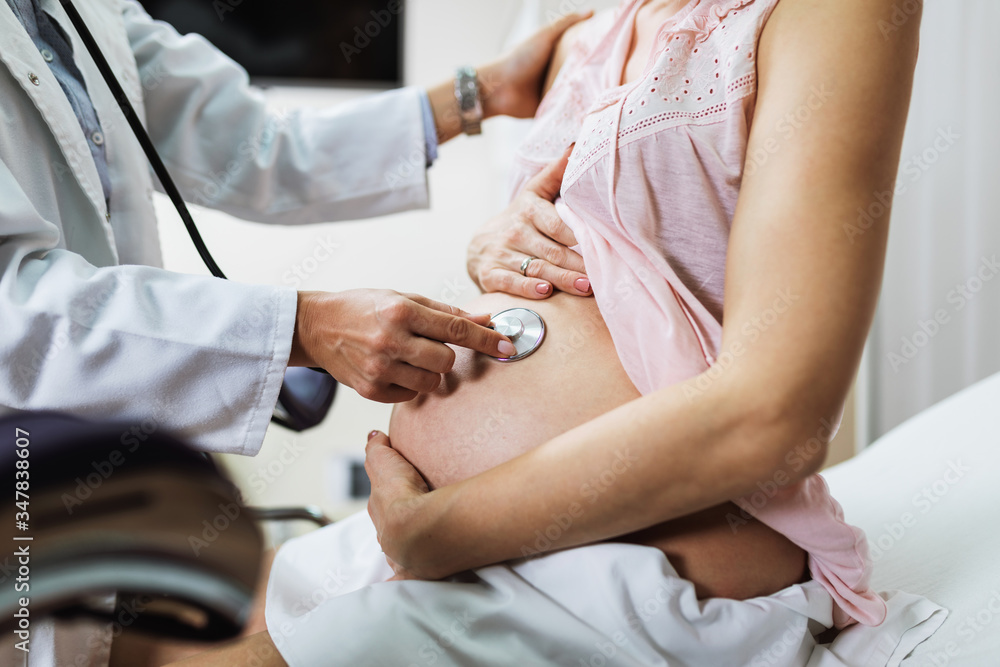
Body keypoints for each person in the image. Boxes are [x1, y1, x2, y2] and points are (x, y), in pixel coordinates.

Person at [175, 0, 941, 665]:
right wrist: (490, 244)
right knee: (151, 631)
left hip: (633, 567)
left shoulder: (818, 16)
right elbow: (597, 258)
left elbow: (779, 417)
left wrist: (442, 529)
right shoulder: (585, 43)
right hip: (475, 540)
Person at [0, 0, 591, 453]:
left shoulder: (81, 10)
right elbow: (13, 311)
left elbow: (255, 147)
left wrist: (482, 93)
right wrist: (304, 328)